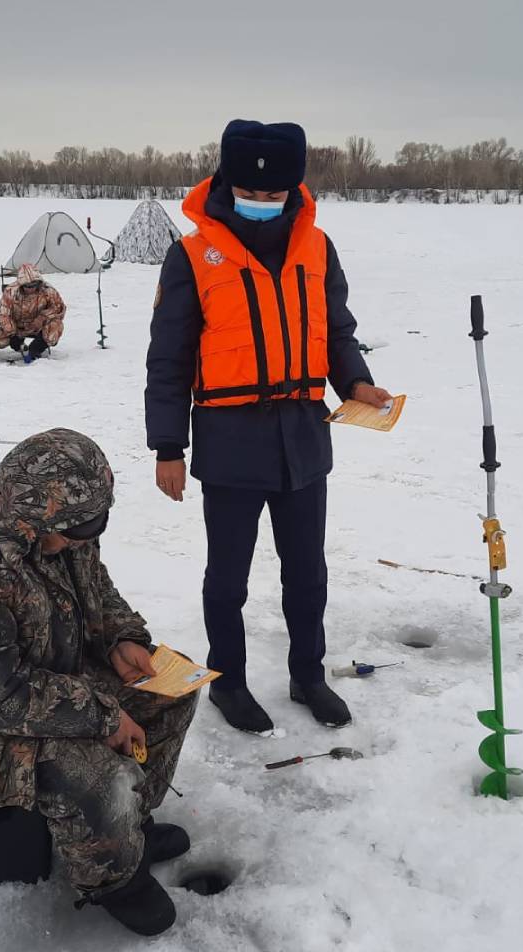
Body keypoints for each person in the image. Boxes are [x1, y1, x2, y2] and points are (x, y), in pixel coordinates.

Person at [0, 428, 196, 937]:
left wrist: (123, 637)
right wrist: (100, 714)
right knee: (88, 763)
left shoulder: (60, 525)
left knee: (169, 688)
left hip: (48, 681)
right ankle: (113, 876)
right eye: (73, 534)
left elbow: (95, 584)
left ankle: (126, 827)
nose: (80, 543)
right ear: (33, 515)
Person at [145, 119, 392, 734]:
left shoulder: (317, 247)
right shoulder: (190, 255)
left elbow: (335, 330)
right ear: (227, 183)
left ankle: (308, 674)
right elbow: (168, 358)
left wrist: (356, 382)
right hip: (230, 439)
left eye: (273, 194)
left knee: (308, 574)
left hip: (304, 436)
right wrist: (167, 445)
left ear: (293, 188)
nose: (261, 203)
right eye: (249, 193)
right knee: (227, 579)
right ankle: (228, 681)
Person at [0, 263, 66, 364]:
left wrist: (42, 317)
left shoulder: (48, 290)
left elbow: (59, 309)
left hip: (39, 327)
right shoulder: (11, 291)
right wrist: (12, 334)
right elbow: (3, 315)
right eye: (27, 286)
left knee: (55, 326)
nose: (31, 288)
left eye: (34, 285)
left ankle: (34, 350)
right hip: (16, 327)